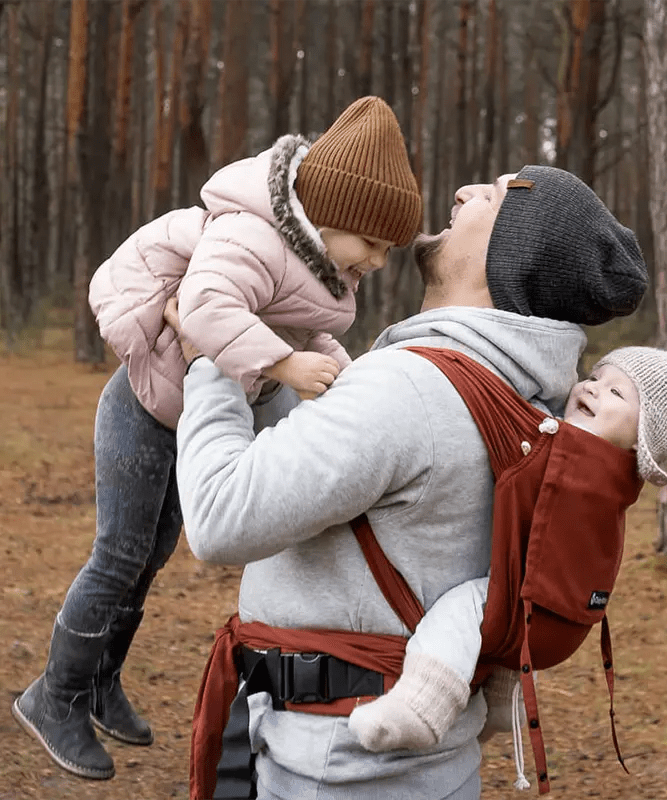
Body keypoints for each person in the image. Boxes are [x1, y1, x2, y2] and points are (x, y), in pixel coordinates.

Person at [172, 163, 650, 800]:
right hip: (418, 769)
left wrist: (211, 358)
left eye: (494, 194)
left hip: (331, 767)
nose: (461, 189)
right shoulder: (530, 399)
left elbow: (218, 514)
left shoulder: (409, 391)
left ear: (512, 257)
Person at [12, 96, 422, 781]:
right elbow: (206, 305)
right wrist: (287, 367)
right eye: (373, 243)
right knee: (118, 554)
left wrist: (352, 381)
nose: (379, 261)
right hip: (144, 409)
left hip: (183, 415)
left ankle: (100, 682)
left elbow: (299, 323)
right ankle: (53, 695)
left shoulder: (309, 261)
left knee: (152, 554)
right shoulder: (252, 236)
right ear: (332, 218)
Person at [346, 345, 667, 754]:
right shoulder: (619, 482)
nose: (591, 389)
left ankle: (422, 709)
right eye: (594, 377)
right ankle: (500, 700)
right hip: (565, 621)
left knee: (462, 607)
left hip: (536, 615)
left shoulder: (582, 457)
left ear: (643, 438)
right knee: (502, 602)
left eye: (616, 393)